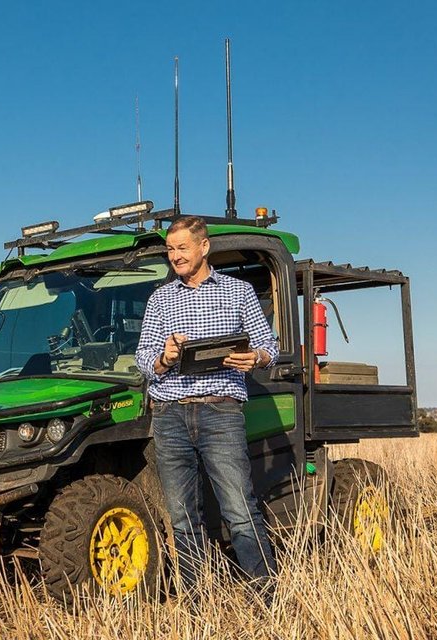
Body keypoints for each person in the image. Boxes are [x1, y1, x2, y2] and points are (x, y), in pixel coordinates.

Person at [136, 215, 279, 594]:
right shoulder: (160, 299)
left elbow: (270, 346)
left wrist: (256, 359)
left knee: (239, 509)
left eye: (182, 247)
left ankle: (266, 597)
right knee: (182, 516)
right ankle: (199, 604)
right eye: (170, 249)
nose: (175, 256)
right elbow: (143, 358)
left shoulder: (238, 292)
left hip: (221, 411)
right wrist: (164, 358)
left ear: (204, 247)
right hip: (170, 415)